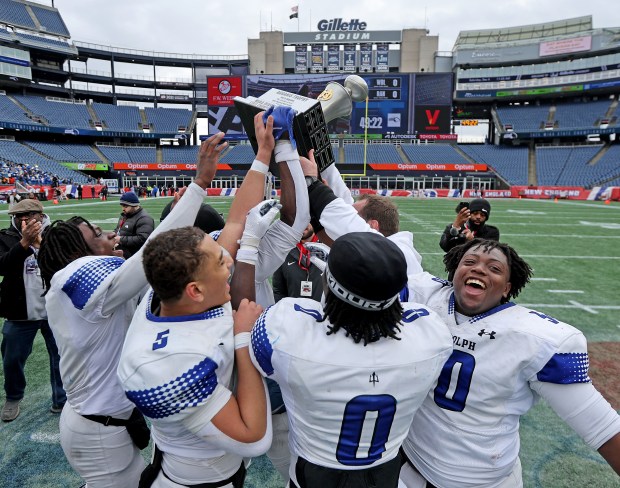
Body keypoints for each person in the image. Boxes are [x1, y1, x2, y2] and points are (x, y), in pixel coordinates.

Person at [399, 239, 620, 487]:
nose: (479, 269)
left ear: (506, 288)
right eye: (469, 262)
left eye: (494, 268)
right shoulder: (427, 296)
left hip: (483, 480)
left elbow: (602, 427)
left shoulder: (537, 339)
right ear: (455, 273)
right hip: (412, 468)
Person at [250, 232, 453, 488]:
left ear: (327, 284)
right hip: (384, 473)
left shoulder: (287, 331)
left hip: (313, 475)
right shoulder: (431, 334)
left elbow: (261, 355)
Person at [118, 200, 279, 487]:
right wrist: (244, 340)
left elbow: (230, 229)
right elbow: (254, 439)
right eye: (220, 262)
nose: (229, 260)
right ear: (195, 290)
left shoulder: (165, 296)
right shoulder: (171, 362)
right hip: (201, 479)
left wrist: (262, 157)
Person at [300, 152, 423, 276]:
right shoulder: (377, 254)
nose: (350, 216)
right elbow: (344, 201)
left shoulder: (397, 256)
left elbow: (345, 222)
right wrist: (324, 163)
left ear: (373, 225)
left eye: (354, 216)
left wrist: (311, 183)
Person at [0, 199, 65, 422]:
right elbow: (2, 266)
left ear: (40, 214)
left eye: (29, 215)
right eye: (19, 216)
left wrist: (40, 246)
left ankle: (61, 398)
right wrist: (23, 244)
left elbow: (66, 263)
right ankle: (13, 396)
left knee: (60, 356)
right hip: (19, 310)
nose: (24, 219)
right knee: (12, 358)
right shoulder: (6, 236)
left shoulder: (56, 233)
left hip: (55, 309)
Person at [272, 223, 323, 302]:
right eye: (299, 219)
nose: (304, 223)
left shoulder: (328, 249)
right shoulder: (283, 251)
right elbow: (279, 291)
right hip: (294, 313)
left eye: (308, 219)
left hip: (322, 313)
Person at [114, 191, 155, 259]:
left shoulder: (144, 218)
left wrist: (121, 240)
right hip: (123, 252)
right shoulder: (125, 215)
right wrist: (113, 235)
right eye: (122, 206)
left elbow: (143, 238)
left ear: (134, 205)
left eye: (125, 206)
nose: (123, 209)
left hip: (135, 257)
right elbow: (118, 230)